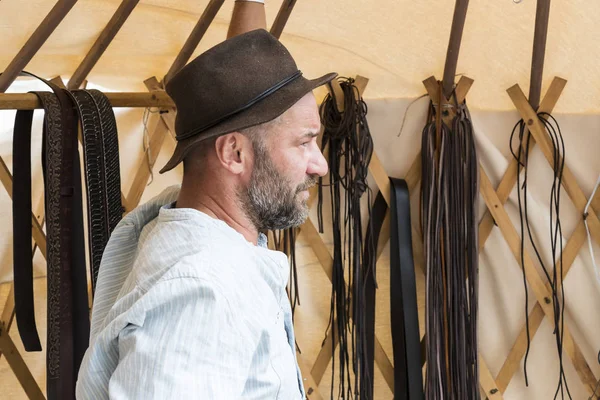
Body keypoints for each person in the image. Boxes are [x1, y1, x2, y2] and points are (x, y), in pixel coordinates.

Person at [75, 1, 336, 399]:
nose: (320, 165)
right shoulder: (203, 292)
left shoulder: (179, 221)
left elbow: (241, 89)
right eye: (305, 142)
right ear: (233, 154)